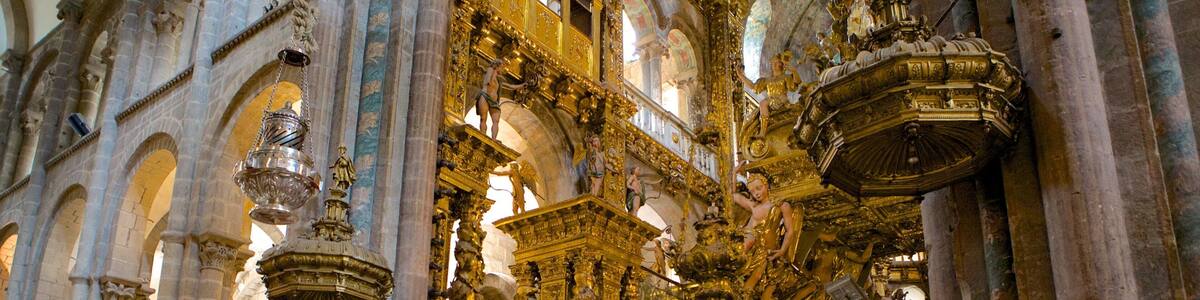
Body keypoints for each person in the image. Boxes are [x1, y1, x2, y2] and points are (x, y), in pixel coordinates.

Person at [738, 52, 802, 137]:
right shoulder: (767, 80)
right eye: (773, 63)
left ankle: (763, 132)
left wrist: (794, 71)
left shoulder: (786, 77)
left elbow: (796, 84)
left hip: (782, 100)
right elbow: (753, 87)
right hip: (771, 101)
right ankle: (762, 131)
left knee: (764, 103)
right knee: (762, 105)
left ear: (782, 64)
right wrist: (741, 76)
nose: (775, 64)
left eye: (777, 62)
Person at [477, 58, 526, 138]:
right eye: (501, 67)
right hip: (485, 97)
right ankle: (483, 135)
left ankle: (494, 139)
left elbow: (510, 86)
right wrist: (494, 71)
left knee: (496, 120)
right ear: (496, 66)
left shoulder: (499, 80)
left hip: (494, 102)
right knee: (483, 118)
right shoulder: (490, 70)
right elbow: (488, 81)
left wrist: (522, 85)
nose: (502, 69)